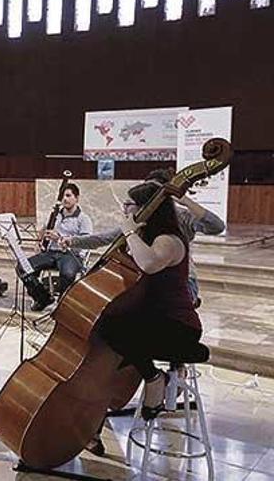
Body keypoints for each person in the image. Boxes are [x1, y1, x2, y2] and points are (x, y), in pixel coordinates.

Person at [97, 181, 203, 422]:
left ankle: (155, 379)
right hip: (156, 318)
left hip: (179, 326)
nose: (125, 209)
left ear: (148, 208)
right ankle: (101, 408)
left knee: (113, 328)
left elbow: (149, 263)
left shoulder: (170, 240)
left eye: (129, 205)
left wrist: (129, 232)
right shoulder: (148, 237)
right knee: (109, 325)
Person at [61, 169, 224, 306]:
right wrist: (73, 241)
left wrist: (185, 200)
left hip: (180, 282)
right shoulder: (140, 217)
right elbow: (105, 238)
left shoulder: (181, 216)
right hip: (149, 280)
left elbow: (216, 226)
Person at [18, 184, 93, 312]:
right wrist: (39, 241)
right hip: (51, 253)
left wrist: (59, 238)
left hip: (71, 255)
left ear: (77, 198)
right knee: (23, 267)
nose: (65, 199)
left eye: (68, 196)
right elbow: (43, 230)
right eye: (63, 196)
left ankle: (63, 306)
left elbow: (85, 243)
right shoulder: (55, 215)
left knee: (68, 274)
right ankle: (42, 298)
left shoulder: (83, 219)